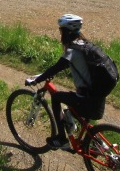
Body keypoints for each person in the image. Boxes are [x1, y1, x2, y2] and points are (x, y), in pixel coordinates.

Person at [25, 14, 107, 150]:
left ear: (65, 32)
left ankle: (62, 138)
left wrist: (36, 80)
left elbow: (56, 67)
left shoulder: (72, 51)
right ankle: (96, 143)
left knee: (56, 97)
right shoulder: (85, 45)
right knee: (73, 108)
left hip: (87, 99)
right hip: (98, 96)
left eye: (61, 30)